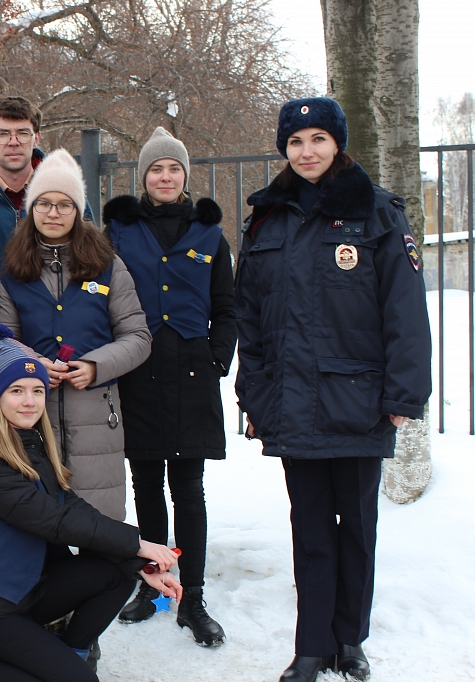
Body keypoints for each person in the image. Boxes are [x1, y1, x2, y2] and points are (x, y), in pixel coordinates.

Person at [235, 97, 432, 682]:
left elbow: (405, 311)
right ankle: (312, 646)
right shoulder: (266, 218)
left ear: (337, 143)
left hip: (358, 403)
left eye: (318, 139)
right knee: (311, 531)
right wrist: (254, 394)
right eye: (296, 142)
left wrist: (404, 396)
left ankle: (350, 641)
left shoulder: (377, 213)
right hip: (291, 405)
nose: (307, 151)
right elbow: (249, 317)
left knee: (358, 531)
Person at [0, 325, 182, 682]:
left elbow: (67, 503)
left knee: (116, 575)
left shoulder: (30, 440)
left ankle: (67, 658)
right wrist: (137, 543)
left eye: (37, 390)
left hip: (27, 588)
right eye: (17, 390)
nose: (29, 401)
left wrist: (137, 561)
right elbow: (50, 518)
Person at [101, 127, 235, 647]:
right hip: (138, 371)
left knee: (189, 489)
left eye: (173, 168)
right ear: (143, 176)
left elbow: (226, 306)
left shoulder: (210, 235)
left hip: (192, 373)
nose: (164, 176)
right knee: (146, 485)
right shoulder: (118, 231)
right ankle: (152, 586)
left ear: (185, 175)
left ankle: (192, 596)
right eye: (155, 169)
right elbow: (99, 296)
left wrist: (216, 357)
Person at [0, 149, 152, 521]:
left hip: (97, 414)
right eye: (44, 203)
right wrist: (33, 364)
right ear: (31, 208)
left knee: (99, 522)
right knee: (42, 521)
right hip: (34, 413)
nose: (53, 213)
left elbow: (138, 336)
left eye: (64, 204)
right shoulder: (12, 271)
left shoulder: (108, 266)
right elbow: (3, 340)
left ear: (78, 211)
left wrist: (96, 366)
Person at [0, 96, 46, 256]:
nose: (13, 142)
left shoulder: (64, 192)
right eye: (3, 134)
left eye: (23, 133)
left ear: (36, 139)